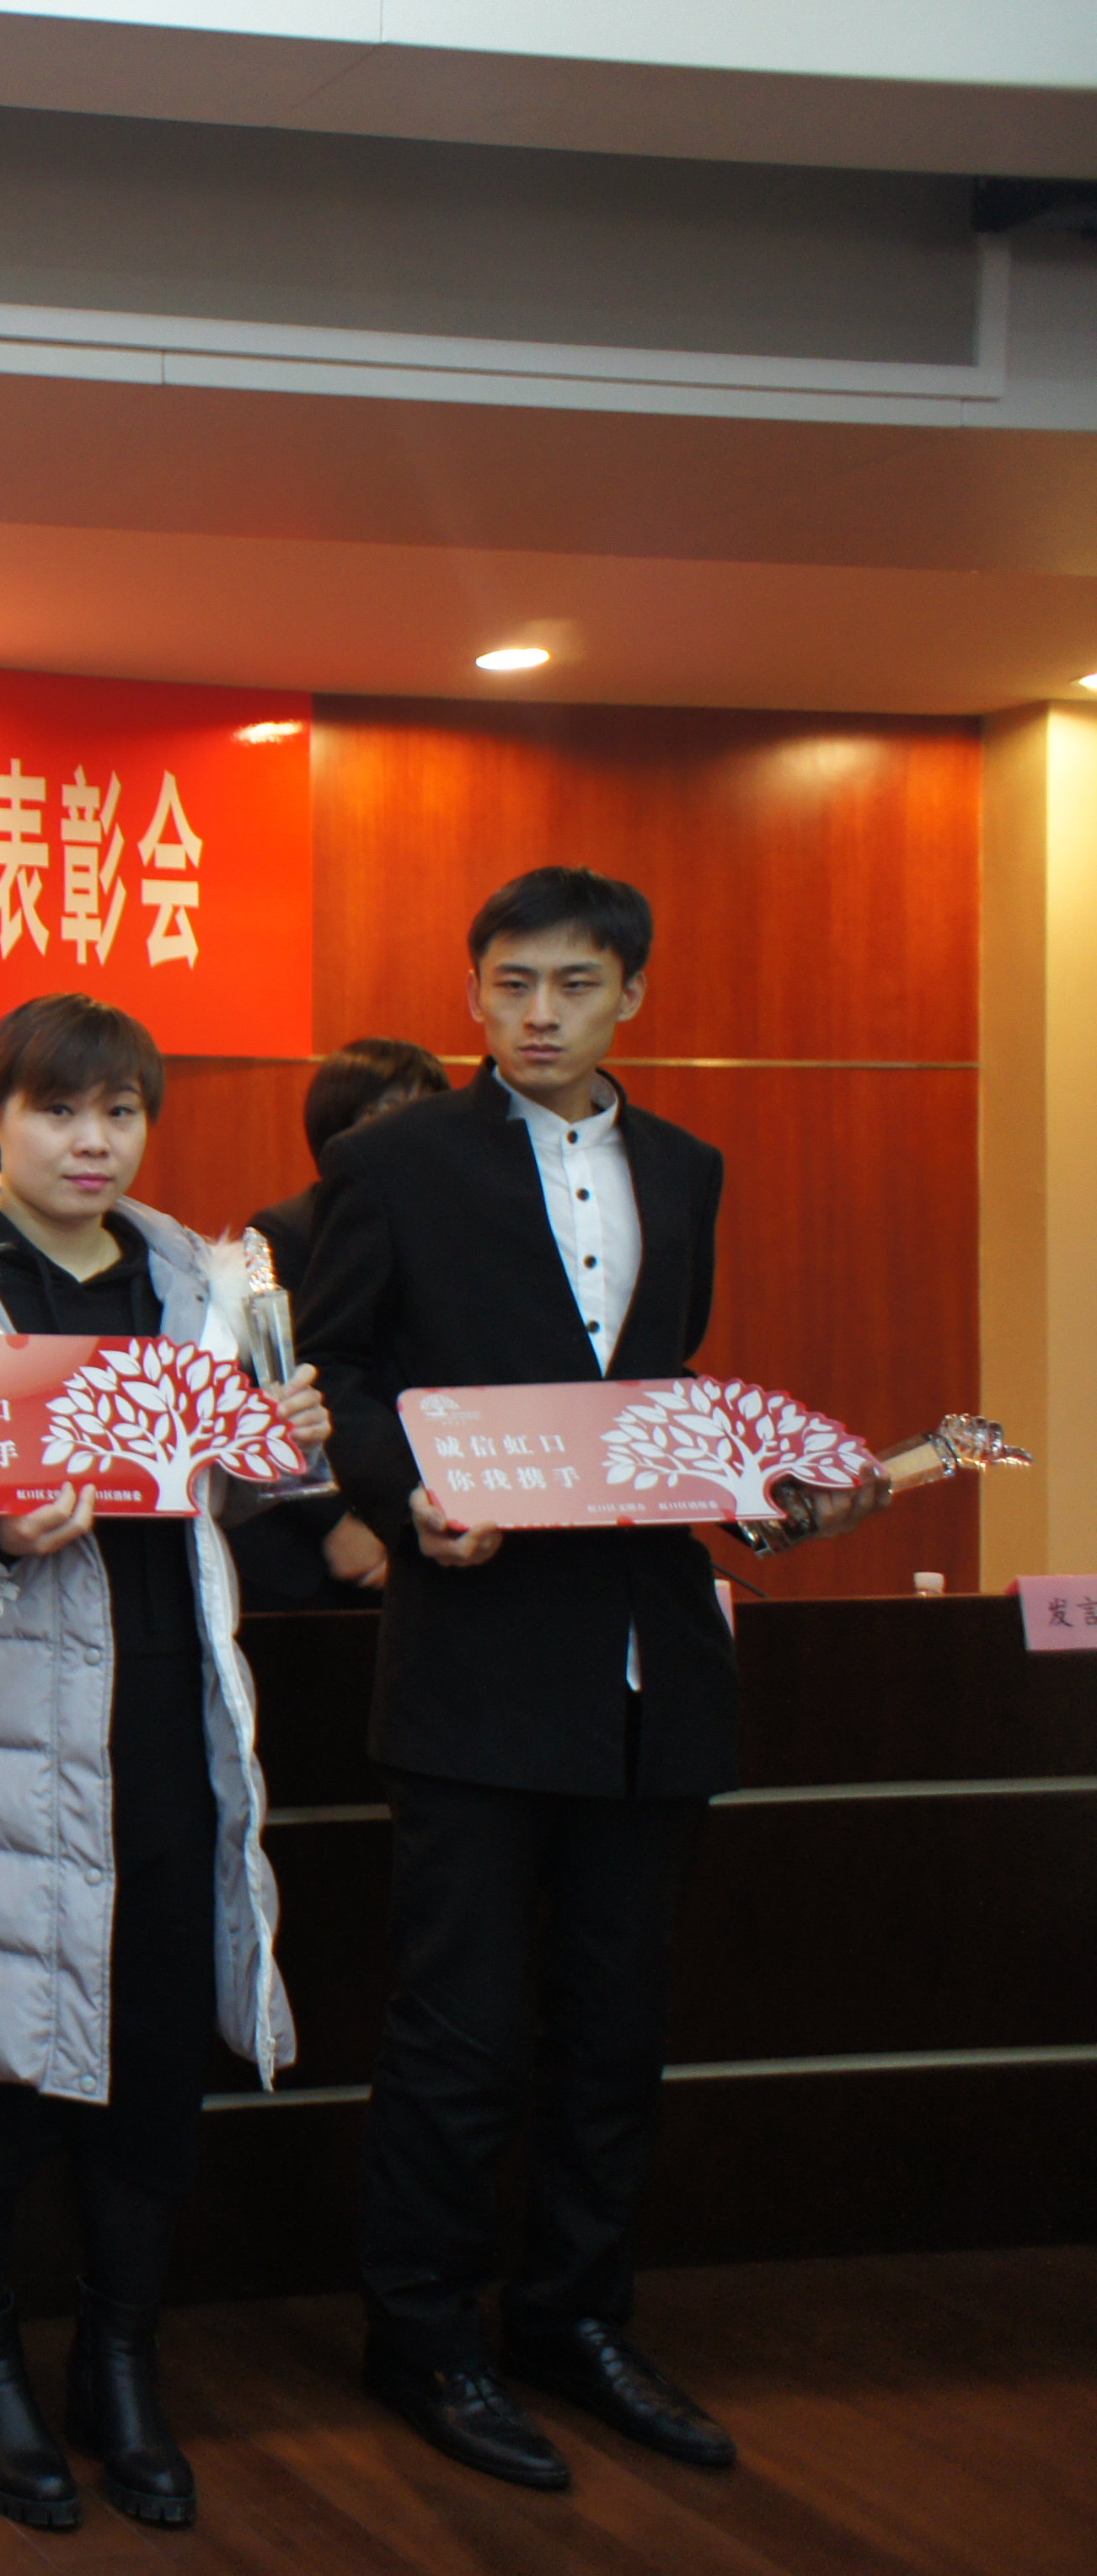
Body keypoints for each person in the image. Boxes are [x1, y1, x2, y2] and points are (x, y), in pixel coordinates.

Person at [303, 869, 878, 2490]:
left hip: (651, 1656)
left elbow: (657, 1384)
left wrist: (756, 1481)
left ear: (631, 993)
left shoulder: (687, 1167)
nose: (537, 1014)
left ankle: (572, 2317)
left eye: (571, 984)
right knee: (461, 2030)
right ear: (471, 995)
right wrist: (404, 1498)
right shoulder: (394, 1162)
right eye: (508, 984)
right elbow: (337, 1369)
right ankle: (420, 2332)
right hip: (477, 1652)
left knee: (617, 2028)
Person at [0, 994, 325, 2535]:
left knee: (152, 2055)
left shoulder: (194, 1279)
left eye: (120, 1112)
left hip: (161, 1713)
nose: (93, 1142)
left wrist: (271, 1443)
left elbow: (215, 1491)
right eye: (57, 1111)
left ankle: (119, 2364)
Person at [228, 1038, 446, 1614]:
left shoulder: (455, 1230)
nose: (405, 1129)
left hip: (429, 1514)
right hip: (317, 1540)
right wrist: (334, 1522)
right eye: (383, 1111)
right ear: (336, 1125)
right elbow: (277, 1387)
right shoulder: (283, 1229)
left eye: (423, 1110)